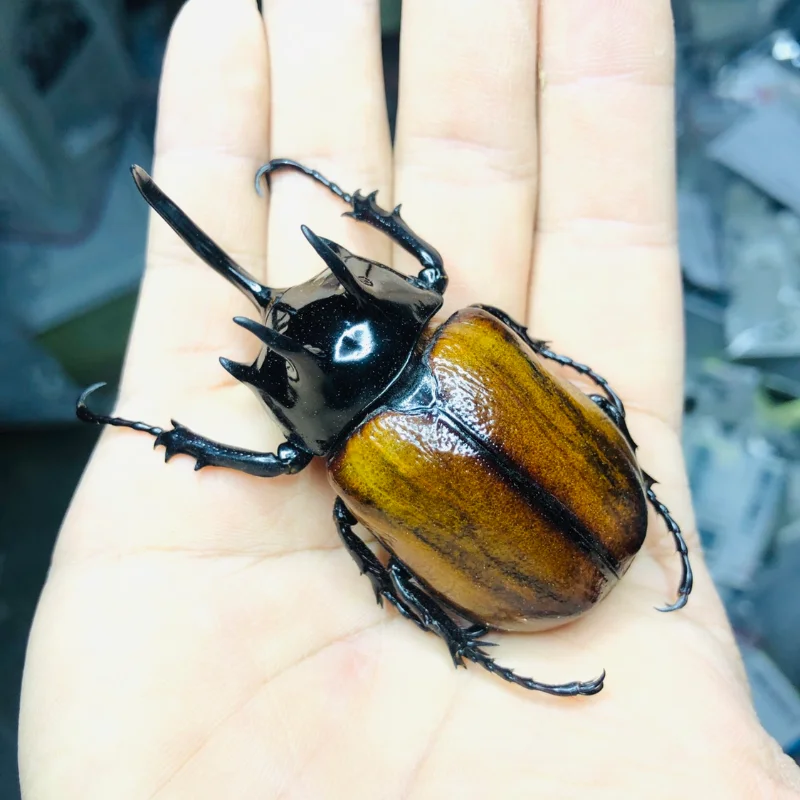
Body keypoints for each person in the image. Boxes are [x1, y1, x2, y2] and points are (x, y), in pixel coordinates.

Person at [18, 0, 800, 797]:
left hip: (549, 566)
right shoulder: (474, 337)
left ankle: (463, 644)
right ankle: (478, 640)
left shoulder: (377, 438)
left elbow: (283, 461)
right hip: (592, 528)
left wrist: (163, 431)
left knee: (353, 525)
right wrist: (356, 210)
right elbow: (462, 297)